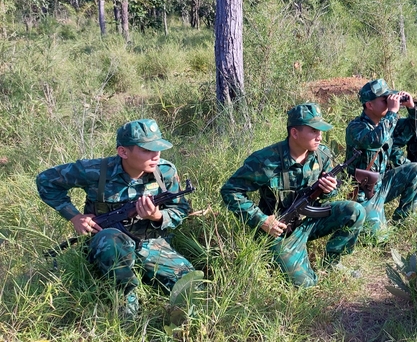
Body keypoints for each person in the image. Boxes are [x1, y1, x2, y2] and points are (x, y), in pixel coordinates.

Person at [36, 119, 196, 318]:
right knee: (111, 241)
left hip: (149, 242)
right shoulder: (95, 170)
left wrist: (157, 215)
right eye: (147, 150)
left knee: (189, 282)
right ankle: (126, 310)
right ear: (123, 152)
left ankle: (182, 321)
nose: (156, 155)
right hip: (106, 243)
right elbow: (46, 181)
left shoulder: (165, 171)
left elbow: (180, 208)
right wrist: (75, 217)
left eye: (158, 149)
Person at [220, 103, 365, 287]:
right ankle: (294, 262)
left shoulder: (322, 155)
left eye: (320, 131)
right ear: (295, 133)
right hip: (281, 231)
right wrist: (262, 220)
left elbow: (328, 196)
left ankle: (331, 264)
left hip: (311, 221)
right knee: (305, 284)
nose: (319, 136)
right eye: (313, 130)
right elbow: (230, 190)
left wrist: (331, 189)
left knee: (355, 211)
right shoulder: (266, 160)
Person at [345, 79, 417, 243]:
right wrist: (392, 113)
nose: (389, 103)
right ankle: (371, 216)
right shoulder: (356, 128)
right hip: (363, 194)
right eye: (384, 100)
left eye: (390, 99)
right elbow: (376, 140)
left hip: (382, 185)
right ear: (369, 105)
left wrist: (411, 107)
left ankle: (403, 221)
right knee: (378, 240)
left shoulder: (387, 123)